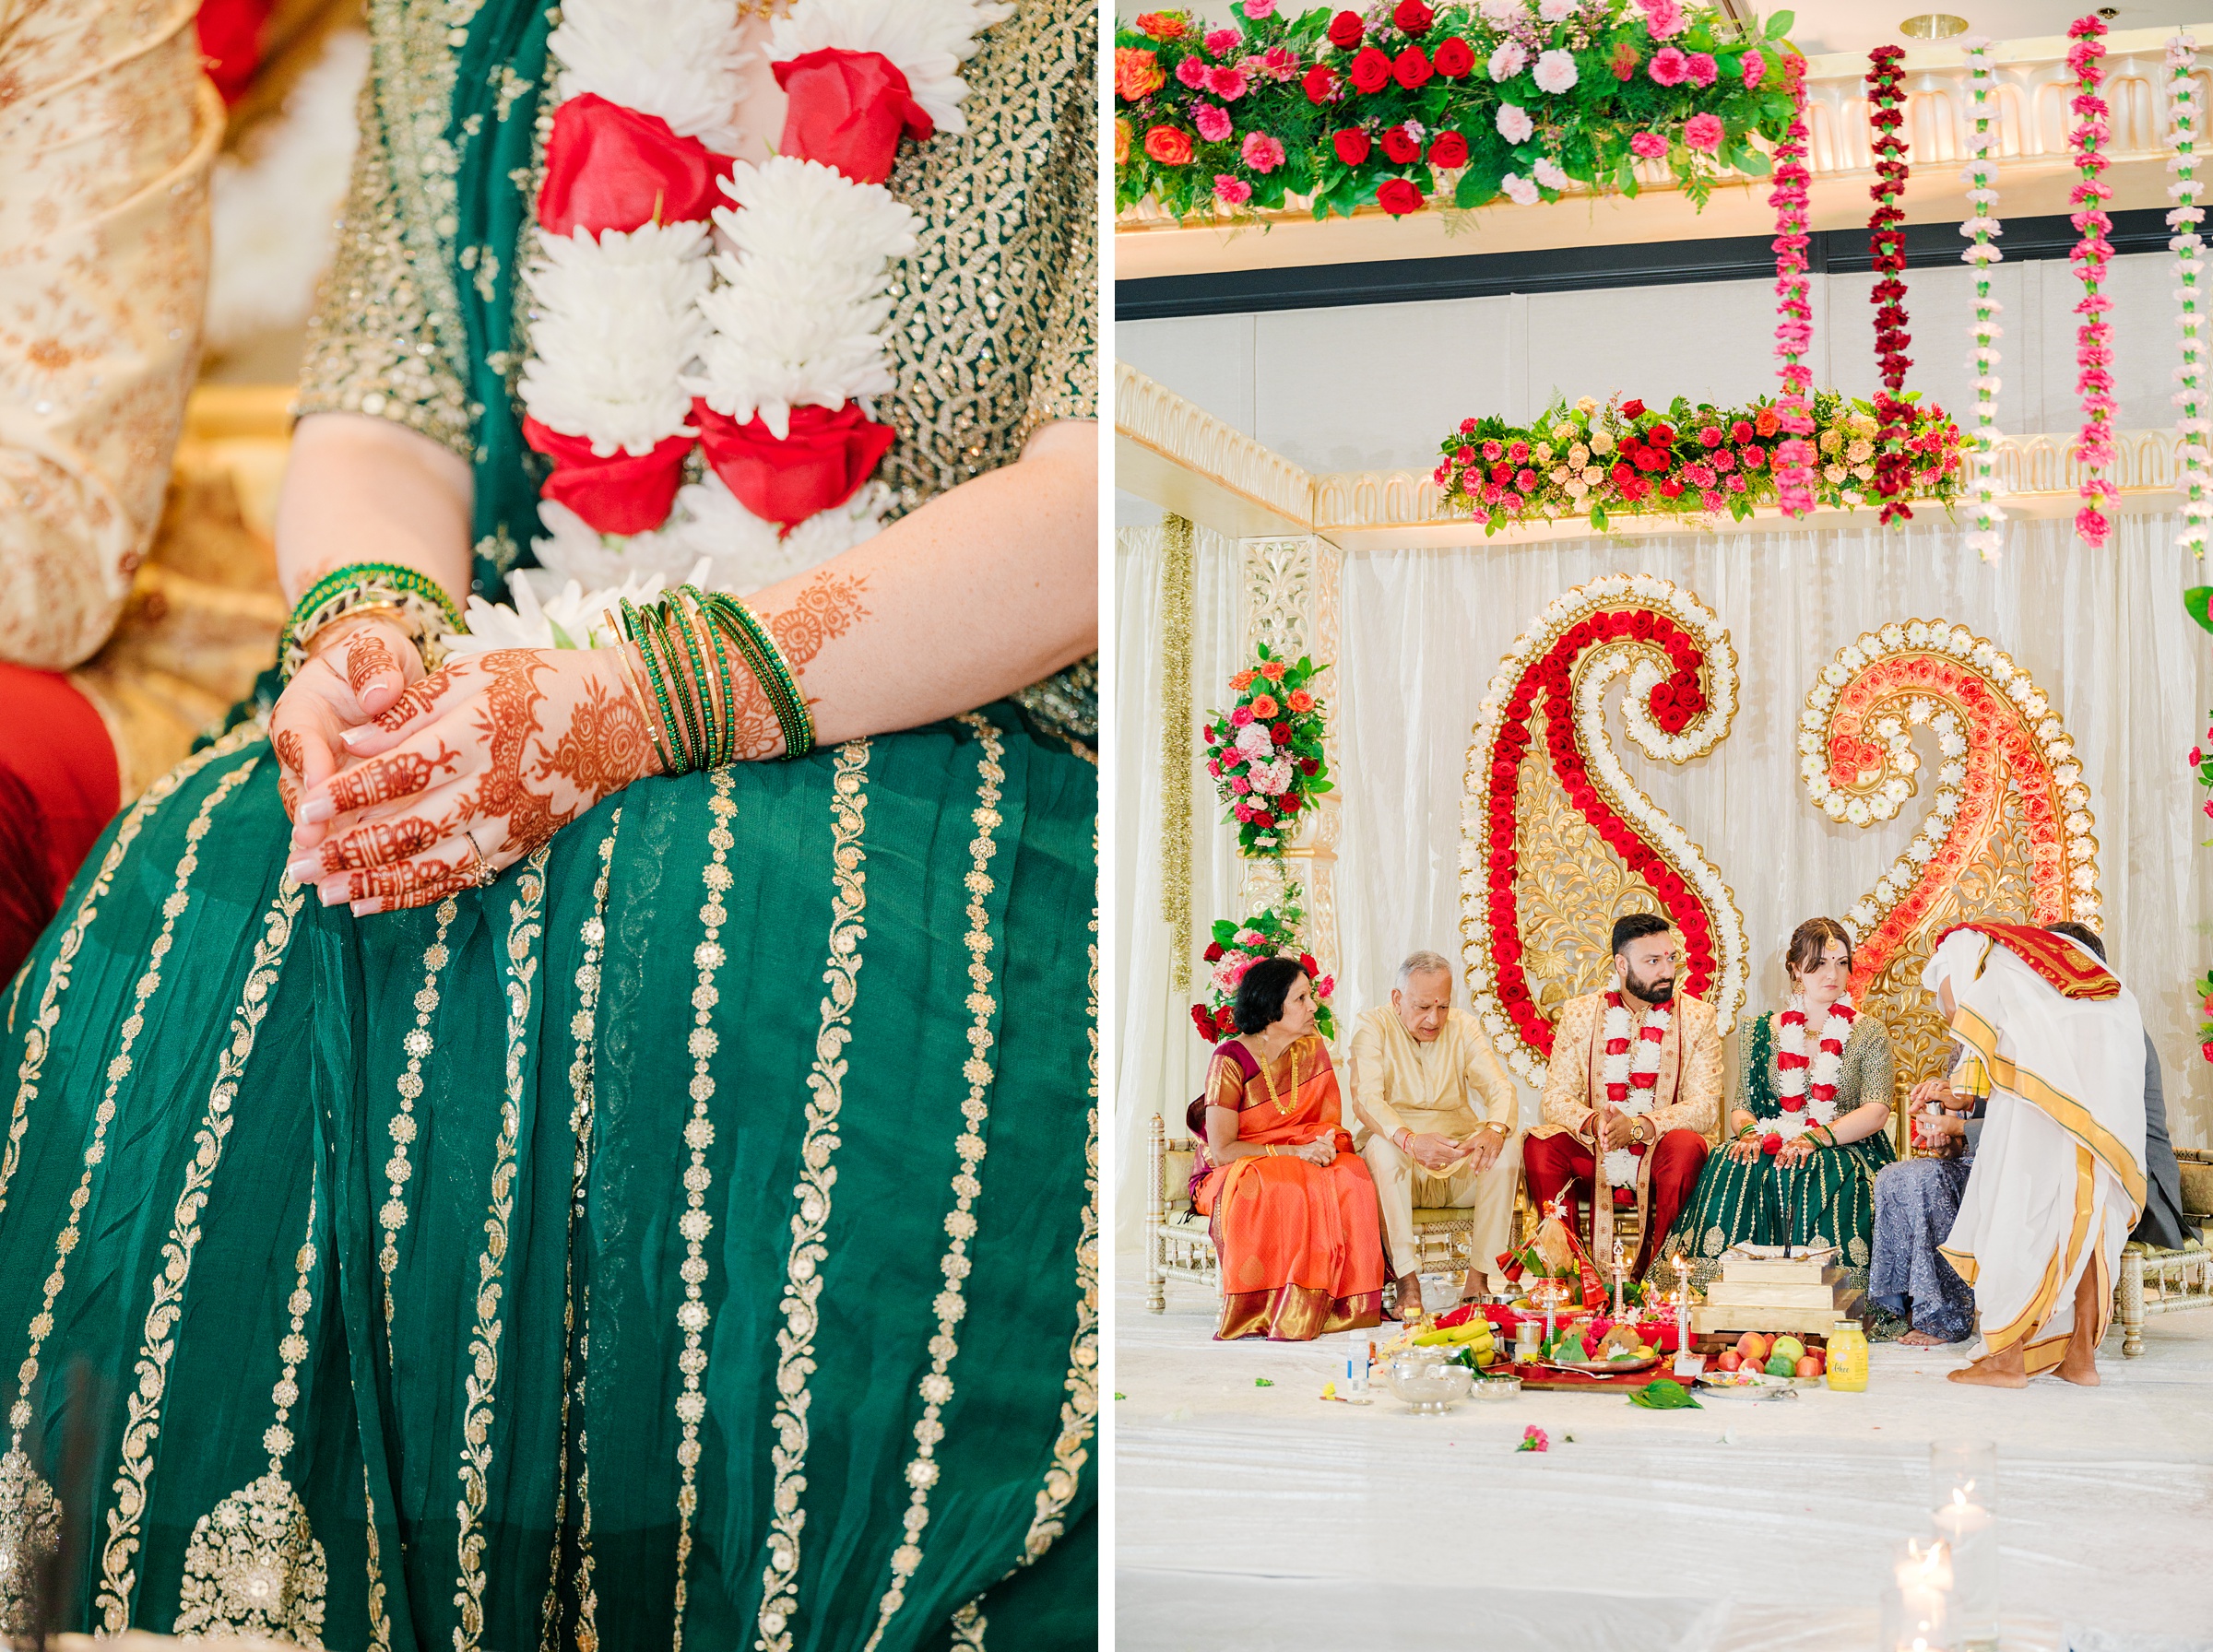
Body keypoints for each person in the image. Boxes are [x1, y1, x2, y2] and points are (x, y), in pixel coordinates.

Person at [0, 2, 1097, 1646]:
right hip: (509, 644)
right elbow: (387, 417)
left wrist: (639, 706)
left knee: (733, 942)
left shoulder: (1091, 33)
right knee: (238, 883)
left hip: (937, 705)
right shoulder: (468, 18)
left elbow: (1091, 498)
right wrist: (368, 632)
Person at [1926, 922, 2147, 1387]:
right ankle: (2080, 1360)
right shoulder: (2103, 990)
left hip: (2035, 1123)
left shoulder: (1987, 961)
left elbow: (1958, 1011)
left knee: (2017, 1223)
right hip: (2103, 1133)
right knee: (2086, 1230)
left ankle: (2005, 1361)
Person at [1659, 919, 1895, 1292]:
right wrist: (1751, 1133)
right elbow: (1742, 1107)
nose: (1832, 974)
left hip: (1845, 1146)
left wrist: (1816, 1138)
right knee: (1733, 1158)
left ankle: (1833, 1295)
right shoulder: (1760, 1030)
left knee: (1821, 1169)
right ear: (1796, 969)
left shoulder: (1868, 1031)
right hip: (1772, 1138)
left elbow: (1877, 1110)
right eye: (1819, 963)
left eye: (1842, 962)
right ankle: (1724, 1290)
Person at [1196, 958, 1386, 1341]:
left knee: (1352, 1175)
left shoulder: (1311, 1048)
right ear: (1270, 1006)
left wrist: (1323, 1146)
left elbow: (1326, 1123)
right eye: (1301, 998)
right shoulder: (1230, 1059)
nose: (1313, 1006)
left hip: (1301, 1154)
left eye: (1310, 996)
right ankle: (1271, 1307)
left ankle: (1346, 1304)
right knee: (1285, 1185)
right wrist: (1295, 1153)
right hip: (1235, 1168)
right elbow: (1222, 1151)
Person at [1526, 912, 1722, 1280]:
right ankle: (1570, 1275)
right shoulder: (1581, 1013)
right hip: (1597, 1150)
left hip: (1662, 1153)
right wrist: (1597, 1122)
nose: (1667, 970)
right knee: (1541, 1145)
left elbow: (1705, 1106)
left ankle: (1660, 1277)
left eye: (1670, 958)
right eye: (1653, 961)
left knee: (1686, 1147)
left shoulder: (1698, 1017)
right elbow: (1554, 1096)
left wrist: (1641, 1126)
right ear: (1621, 964)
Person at [1346, 950, 1521, 1318]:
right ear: (1397, 999)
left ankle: (1479, 1280)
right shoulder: (1372, 1026)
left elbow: (1500, 1087)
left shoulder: (1463, 1027)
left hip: (1457, 1163)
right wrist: (1410, 1140)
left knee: (1506, 1145)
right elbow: (1366, 1100)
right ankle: (1407, 1282)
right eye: (1423, 1006)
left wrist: (1494, 1129)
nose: (1434, 1019)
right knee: (1381, 1147)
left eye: (1443, 1007)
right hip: (1402, 1163)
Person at [1869, 1044, 1988, 1346]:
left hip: (2012, 1164)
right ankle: (1904, 1307)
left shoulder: (2022, 1038)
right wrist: (1944, 1142)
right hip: (1970, 1161)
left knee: (1928, 1179)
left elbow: (2023, 1124)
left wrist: (1960, 1124)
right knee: (1893, 1176)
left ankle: (1946, 1317)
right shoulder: (1963, 1047)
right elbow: (1957, 1150)